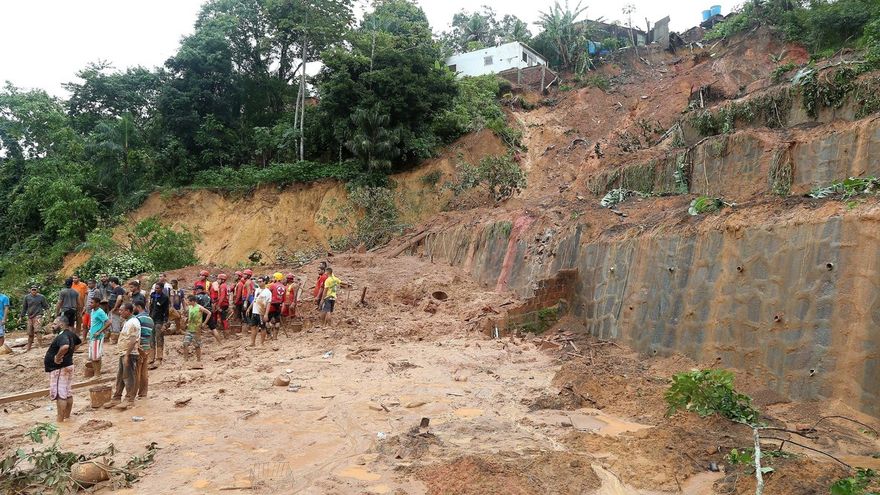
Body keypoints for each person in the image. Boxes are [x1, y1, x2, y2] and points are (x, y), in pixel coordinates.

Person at [103, 303, 140, 410]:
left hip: (129, 353)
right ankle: (117, 397)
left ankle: (129, 399)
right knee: (121, 376)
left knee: (129, 376)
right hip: (124, 352)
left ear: (128, 311)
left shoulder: (133, 322)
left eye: (122, 310)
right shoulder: (128, 322)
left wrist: (127, 355)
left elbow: (133, 340)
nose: (120, 312)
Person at [44, 316, 81, 422]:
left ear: (61, 325)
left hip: (60, 368)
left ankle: (60, 420)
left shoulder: (63, 336)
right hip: (68, 366)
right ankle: (67, 417)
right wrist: (70, 353)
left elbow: (64, 346)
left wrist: (58, 357)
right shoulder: (70, 334)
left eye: (55, 324)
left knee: (61, 394)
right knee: (67, 392)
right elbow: (79, 342)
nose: (52, 326)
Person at [133, 301, 153, 398]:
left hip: (139, 347)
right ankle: (143, 393)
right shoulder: (150, 319)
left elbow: (137, 334)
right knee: (144, 371)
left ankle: (133, 393)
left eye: (134, 306)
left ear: (138, 307)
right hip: (147, 346)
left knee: (137, 371)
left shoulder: (137, 319)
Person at [183, 295, 211, 363]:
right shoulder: (190, 307)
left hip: (197, 329)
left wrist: (204, 323)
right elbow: (188, 315)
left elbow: (209, 313)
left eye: (189, 301)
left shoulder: (199, 307)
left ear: (193, 301)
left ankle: (198, 360)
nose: (187, 302)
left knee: (197, 345)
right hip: (189, 328)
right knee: (185, 344)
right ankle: (186, 360)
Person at [21, 286, 49, 352]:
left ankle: (40, 346)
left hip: (38, 315)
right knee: (30, 333)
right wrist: (21, 317)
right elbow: (24, 307)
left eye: (35, 290)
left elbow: (46, 307)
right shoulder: (27, 297)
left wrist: (48, 316)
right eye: (32, 290)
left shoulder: (41, 297)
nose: (34, 291)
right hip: (30, 317)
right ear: (30, 290)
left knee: (38, 330)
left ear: (37, 290)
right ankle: (29, 347)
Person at [87, 296, 109, 376]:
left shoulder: (100, 312)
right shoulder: (93, 311)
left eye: (92, 303)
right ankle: (96, 373)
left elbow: (108, 322)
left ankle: (97, 374)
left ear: (97, 304)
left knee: (96, 357)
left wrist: (99, 331)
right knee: (93, 356)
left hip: (97, 337)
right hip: (93, 336)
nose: (90, 304)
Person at [149, 283, 169, 367]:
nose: (156, 290)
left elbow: (166, 311)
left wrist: (165, 322)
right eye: (155, 288)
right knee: (151, 338)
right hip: (151, 319)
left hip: (159, 320)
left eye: (158, 288)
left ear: (161, 288)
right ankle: (151, 357)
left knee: (159, 338)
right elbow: (150, 306)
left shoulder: (165, 298)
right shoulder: (153, 295)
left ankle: (159, 358)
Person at [248, 277, 272, 347]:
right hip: (254, 311)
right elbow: (255, 299)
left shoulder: (268, 292)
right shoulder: (257, 290)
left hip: (261, 312)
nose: (259, 283)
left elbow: (268, 303)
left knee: (262, 327)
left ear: (264, 282)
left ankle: (262, 343)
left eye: (260, 281)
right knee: (253, 327)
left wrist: (266, 314)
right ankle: (252, 342)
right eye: (258, 281)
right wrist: (249, 308)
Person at [267, 273, 286, 339]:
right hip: (279, 305)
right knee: (277, 322)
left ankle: (269, 336)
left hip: (271, 305)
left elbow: (267, 294)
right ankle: (275, 337)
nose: (273, 279)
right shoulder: (284, 287)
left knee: (267, 321)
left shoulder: (272, 285)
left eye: (274, 277)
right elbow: (284, 299)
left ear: (276, 278)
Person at [107, 277, 126, 344]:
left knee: (115, 323)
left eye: (110, 282)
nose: (109, 284)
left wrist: (115, 307)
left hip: (115, 310)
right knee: (113, 323)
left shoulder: (118, 289)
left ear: (113, 282)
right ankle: (113, 339)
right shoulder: (116, 289)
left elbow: (119, 298)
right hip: (113, 309)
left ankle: (115, 339)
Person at [215, 273, 231, 338]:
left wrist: (218, 305)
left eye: (218, 279)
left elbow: (222, 296)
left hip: (223, 304)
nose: (217, 280)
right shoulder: (224, 286)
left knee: (223, 318)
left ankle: (226, 333)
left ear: (222, 280)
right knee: (222, 318)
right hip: (224, 303)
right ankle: (225, 333)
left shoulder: (223, 286)